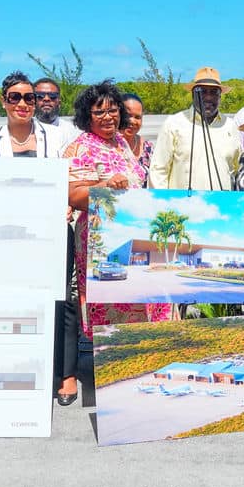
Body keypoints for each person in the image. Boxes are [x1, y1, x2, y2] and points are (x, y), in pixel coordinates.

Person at [64, 80, 171, 399]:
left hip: (133, 237)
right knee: (110, 305)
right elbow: (72, 194)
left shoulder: (122, 144)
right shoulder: (80, 146)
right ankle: (116, 376)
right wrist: (105, 186)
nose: (108, 117)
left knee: (141, 303)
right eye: (100, 111)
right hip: (101, 241)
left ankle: (139, 367)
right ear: (87, 115)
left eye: (113, 110)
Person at [147, 67, 241, 190]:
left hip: (222, 205)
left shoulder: (231, 126)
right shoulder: (174, 123)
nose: (208, 97)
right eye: (202, 92)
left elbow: (238, 169)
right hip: (183, 205)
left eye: (214, 92)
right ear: (193, 94)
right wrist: (164, 205)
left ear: (220, 97)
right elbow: (159, 170)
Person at [0, 71, 68, 157]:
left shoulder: (57, 136)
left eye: (29, 98)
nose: (22, 104)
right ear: (3, 101)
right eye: (15, 97)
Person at [121, 92, 154, 185]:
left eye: (137, 117)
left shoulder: (148, 147)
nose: (132, 121)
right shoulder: (106, 147)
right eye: (128, 115)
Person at [34, 77, 80, 142]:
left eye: (52, 95)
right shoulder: (24, 130)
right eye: (40, 95)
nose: (46, 99)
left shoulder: (73, 132)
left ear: (59, 103)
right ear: (33, 101)